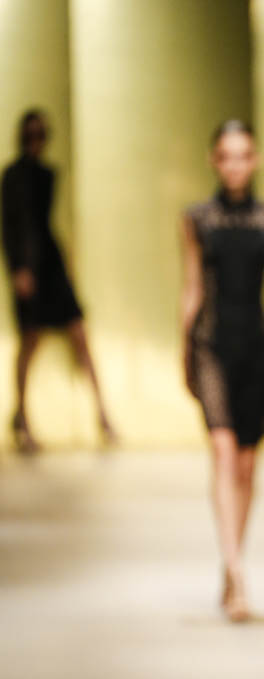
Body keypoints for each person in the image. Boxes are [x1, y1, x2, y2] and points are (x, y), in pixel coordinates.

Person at [180, 120, 264, 621]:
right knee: (223, 452)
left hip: (254, 348)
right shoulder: (196, 218)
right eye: (226, 156)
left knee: (248, 465)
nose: (235, 165)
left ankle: (234, 554)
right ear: (214, 161)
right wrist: (183, 349)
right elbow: (193, 287)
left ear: (256, 160)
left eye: (243, 155)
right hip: (210, 345)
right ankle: (234, 571)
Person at [1, 109, 116, 451]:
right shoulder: (12, 176)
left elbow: (43, 223)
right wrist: (20, 267)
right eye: (31, 134)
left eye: (41, 134)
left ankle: (103, 415)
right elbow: (12, 226)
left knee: (78, 333)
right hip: (29, 266)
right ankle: (23, 418)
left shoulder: (48, 174)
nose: (36, 141)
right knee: (30, 339)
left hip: (50, 263)